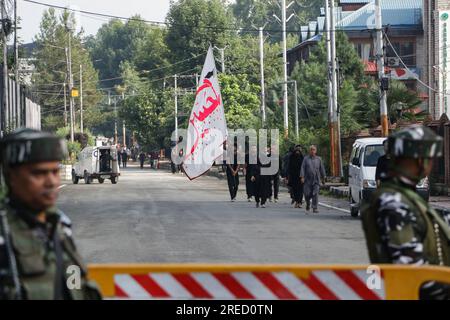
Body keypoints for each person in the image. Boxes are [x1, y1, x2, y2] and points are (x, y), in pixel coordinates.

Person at [0, 129, 102, 300]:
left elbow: (74, 284)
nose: (51, 182)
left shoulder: (61, 225)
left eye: (55, 172)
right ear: (12, 177)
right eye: (38, 173)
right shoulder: (4, 234)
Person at [362, 125, 450, 300]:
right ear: (420, 160)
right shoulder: (393, 203)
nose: (431, 165)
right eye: (430, 159)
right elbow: (412, 272)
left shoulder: (405, 196)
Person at [300, 145, 326, 214]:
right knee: (307, 193)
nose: (312, 151)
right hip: (307, 179)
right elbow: (302, 168)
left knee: (315, 193)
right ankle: (308, 203)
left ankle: (315, 207)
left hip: (316, 179)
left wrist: (323, 178)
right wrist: (302, 177)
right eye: (311, 150)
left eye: (314, 150)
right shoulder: (306, 159)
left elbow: (322, 169)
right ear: (309, 151)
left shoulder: (319, 159)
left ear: (316, 151)